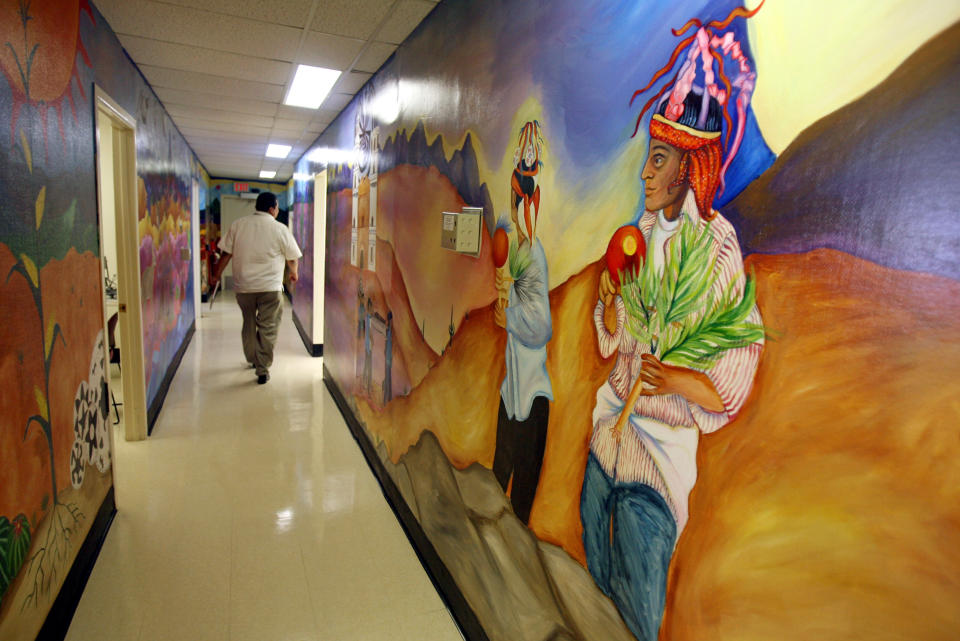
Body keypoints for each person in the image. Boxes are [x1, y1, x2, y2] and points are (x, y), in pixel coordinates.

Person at [579, 10, 764, 640]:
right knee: (589, 598)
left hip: (656, 472)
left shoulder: (716, 248)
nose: (645, 173)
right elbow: (615, 341)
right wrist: (611, 312)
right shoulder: (639, 238)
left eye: (658, 159)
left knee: (632, 618)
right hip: (605, 445)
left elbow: (732, 377)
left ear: (689, 165)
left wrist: (677, 377)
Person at [492, 121, 553, 526]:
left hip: (532, 400)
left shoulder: (532, 254)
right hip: (511, 394)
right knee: (496, 488)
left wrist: (509, 316)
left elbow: (542, 325)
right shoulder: (515, 247)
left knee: (520, 511)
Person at [210, 192, 301, 384]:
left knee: (249, 322)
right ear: (272, 209)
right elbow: (292, 256)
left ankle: (252, 358)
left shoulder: (238, 225)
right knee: (268, 328)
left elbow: (225, 253)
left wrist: (216, 274)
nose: (277, 211)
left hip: (244, 287)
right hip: (270, 288)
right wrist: (294, 272)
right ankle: (262, 368)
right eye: (277, 208)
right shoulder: (280, 228)